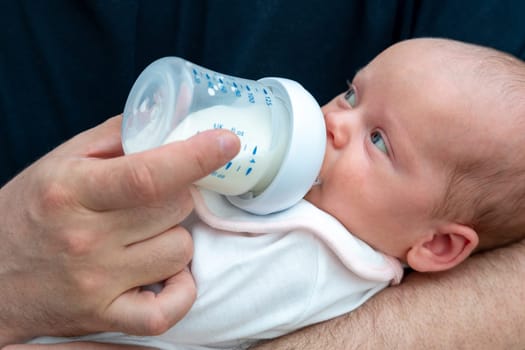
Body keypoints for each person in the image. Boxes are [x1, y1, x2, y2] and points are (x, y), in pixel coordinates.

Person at [3, 2, 525, 350]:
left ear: (436, 246)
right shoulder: (307, 200)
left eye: (379, 140)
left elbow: (184, 315)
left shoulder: (317, 263)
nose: (334, 122)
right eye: (351, 94)